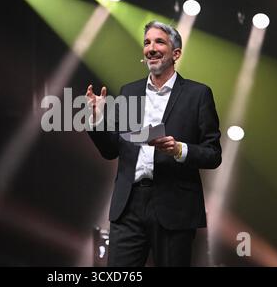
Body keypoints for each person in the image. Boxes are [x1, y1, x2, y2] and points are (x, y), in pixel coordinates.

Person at [86, 20, 222, 266]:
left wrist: (179, 149)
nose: (151, 48)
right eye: (147, 42)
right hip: (129, 205)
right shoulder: (129, 92)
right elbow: (110, 150)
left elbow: (213, 154)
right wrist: (97, 120)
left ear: (176, 53)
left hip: (174, 204)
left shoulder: (198, 94)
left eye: (159, 41)